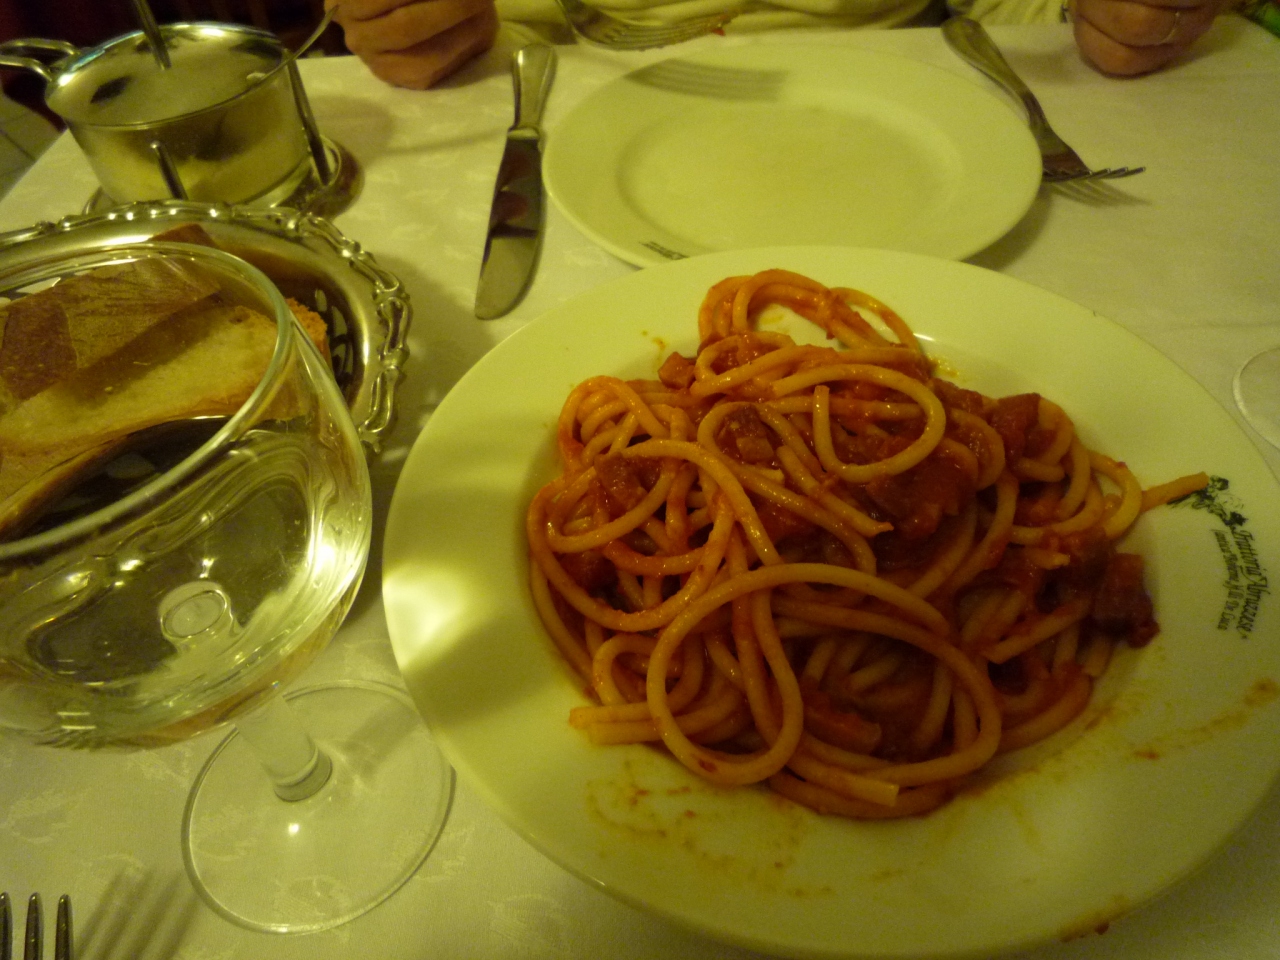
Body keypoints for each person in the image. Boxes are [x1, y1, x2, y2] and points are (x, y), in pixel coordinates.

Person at [327, 0, 1232, 89]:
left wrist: (1101, 15)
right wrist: (442, 30)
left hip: (914, 85)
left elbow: (1003, 9)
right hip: (616, 91)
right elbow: (522, 20)